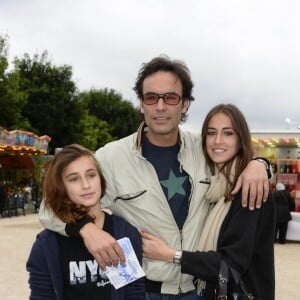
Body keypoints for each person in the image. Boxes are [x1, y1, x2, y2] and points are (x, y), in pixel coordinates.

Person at [39, 56, 271, 299]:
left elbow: (238, 163)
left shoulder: (204, 150)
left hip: (201, 290)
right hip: (144, 291)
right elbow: (50, 205)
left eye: (170, 97)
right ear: (141, 104)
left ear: (185, 105)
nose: (160, 106)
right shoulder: (111, 158)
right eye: (151, 97)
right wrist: (86, 230)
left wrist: (259, 164)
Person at [142, 104, 275, 299]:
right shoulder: (216, 185)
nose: (217, 141)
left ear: (241, 139)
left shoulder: (248, 189)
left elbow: (229, 265)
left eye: (228, 133)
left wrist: (169, 254)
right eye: (211, 133)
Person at [27, 144, 144, 299]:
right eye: (74, 179)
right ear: (61, 187)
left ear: (101, 179)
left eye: (91, 175)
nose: (86, 185)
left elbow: (134, 294)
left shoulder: (124, 232)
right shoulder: (47, 244)